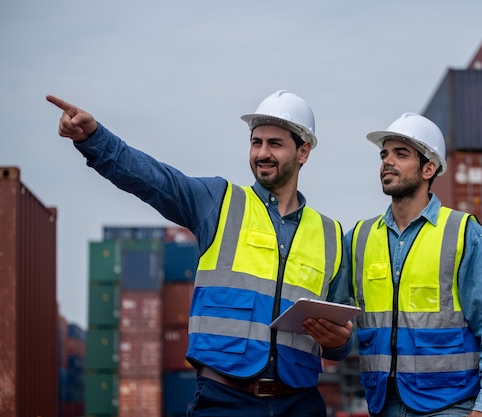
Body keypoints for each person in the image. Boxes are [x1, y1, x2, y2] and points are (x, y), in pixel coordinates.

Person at [47, 90, 353, 417]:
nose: (262, 153)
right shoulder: (218, 202)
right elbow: (151, 178)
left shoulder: (330, 235)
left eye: (274, 144)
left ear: (303, 151)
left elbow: (341, 341)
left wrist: (337, 342)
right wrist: (93, 138)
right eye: (256, 142)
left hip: (300, 404)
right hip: (224, 400)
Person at [345, 113, 482, 417]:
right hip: (382, 405)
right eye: (384, 154)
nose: (387, 161)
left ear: (429, 168)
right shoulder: (359, 238)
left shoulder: (464, 233)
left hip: (450, 406)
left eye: (401, 154)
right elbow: (337, 320)